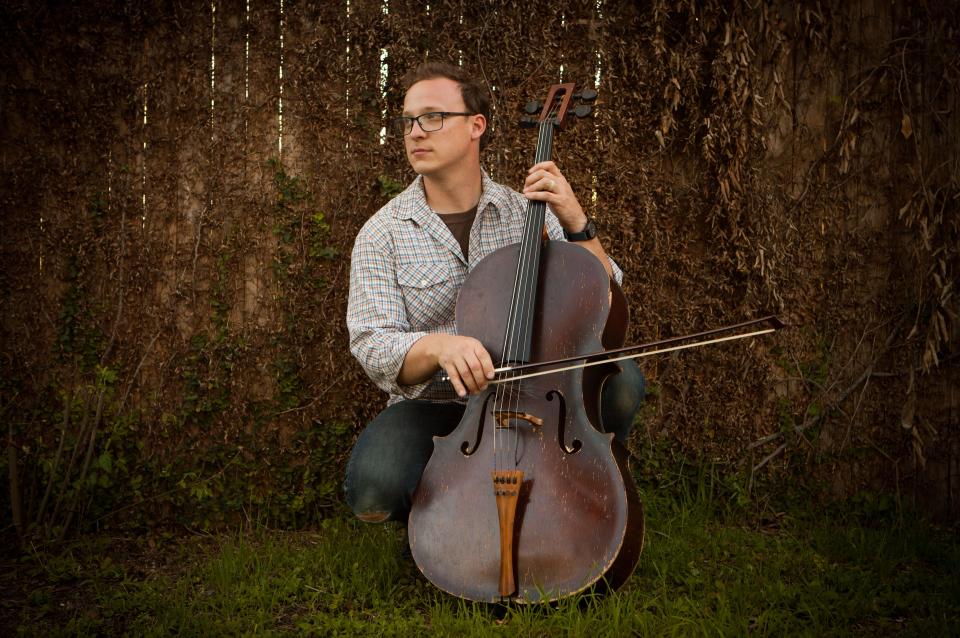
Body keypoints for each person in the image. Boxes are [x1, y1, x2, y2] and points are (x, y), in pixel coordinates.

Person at [344, 62, 645, 524]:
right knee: (373, 487)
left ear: (475, 126)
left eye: (432, 117)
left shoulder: (526, 212)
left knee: (619, 378)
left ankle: (588, 487)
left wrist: (576, 221)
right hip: (438, 405)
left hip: (538, 395)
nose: (414, 132)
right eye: (407, 121)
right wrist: (441, 346)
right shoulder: (381, 233)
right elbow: (372, 342)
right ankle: (446, 523)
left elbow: (604, 300)